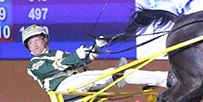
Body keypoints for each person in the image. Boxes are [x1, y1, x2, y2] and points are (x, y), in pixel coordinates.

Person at [21, 24, 169, 93]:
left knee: (123, 72)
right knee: (110, 73)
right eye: (30, 42)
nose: (34, 44)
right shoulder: (33, 65)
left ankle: (166, 79)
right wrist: (75, 57)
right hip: (62, 87)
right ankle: (114, 75)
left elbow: (81, 61)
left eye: (37, 39)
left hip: (76, 83)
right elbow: (49, 69)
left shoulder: (57, 53)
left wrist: (96, 47)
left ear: (45, 39)